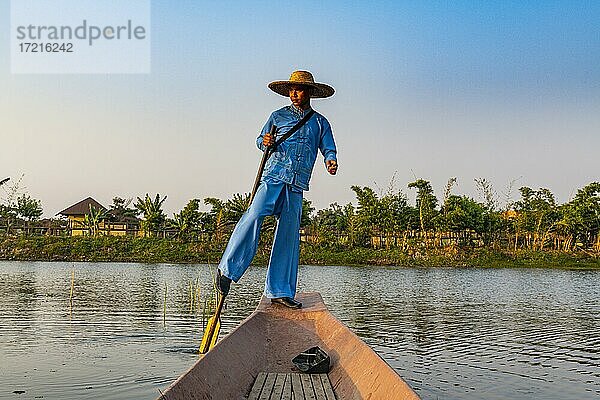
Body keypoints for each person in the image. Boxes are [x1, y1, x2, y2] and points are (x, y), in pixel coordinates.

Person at [215, 70, 338, 309]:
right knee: (255, 213)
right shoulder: (277, 116)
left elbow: (328, 147)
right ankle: (227, 270)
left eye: (299, 89)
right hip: (273, 176)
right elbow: (261, 140)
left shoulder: (320, 122)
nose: (294, 94)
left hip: (297, 183)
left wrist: (330, 160)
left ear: (309, 92)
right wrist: (265, 142)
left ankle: (280, 291)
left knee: (288, 235)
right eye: (291, 90)